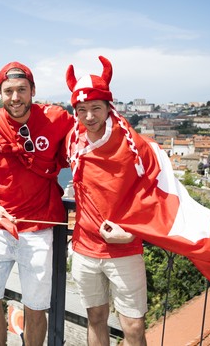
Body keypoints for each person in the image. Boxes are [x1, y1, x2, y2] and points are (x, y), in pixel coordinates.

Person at [0, 61, 73, 346]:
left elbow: (83, 146)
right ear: (0, 93)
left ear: (33, 90)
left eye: (22, 90)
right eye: (8, 91)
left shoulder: (56, 118)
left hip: (39, 229)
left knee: (36, 307)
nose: (15, 98)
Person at [65, 56, 147, 346]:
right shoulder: (72, 141)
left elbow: (155, 194)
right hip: (85, 248)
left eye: (96, 108)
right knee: (96, 318)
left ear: (108, 108)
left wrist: (133, 231)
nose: (89, 117)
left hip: (125, 248)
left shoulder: (134, 145)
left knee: (133, 326)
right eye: (82, 110)